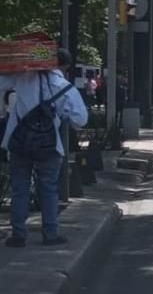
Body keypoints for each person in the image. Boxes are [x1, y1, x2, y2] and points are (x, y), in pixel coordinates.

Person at [0, 49, 88, 247]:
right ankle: (50, 234)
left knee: (19, 189)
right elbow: (80, 120)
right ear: (64, 66)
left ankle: (18, 235)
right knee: (48, 189)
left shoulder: (22, 78)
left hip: (19, 144)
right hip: (49, 146)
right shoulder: (64, 87)